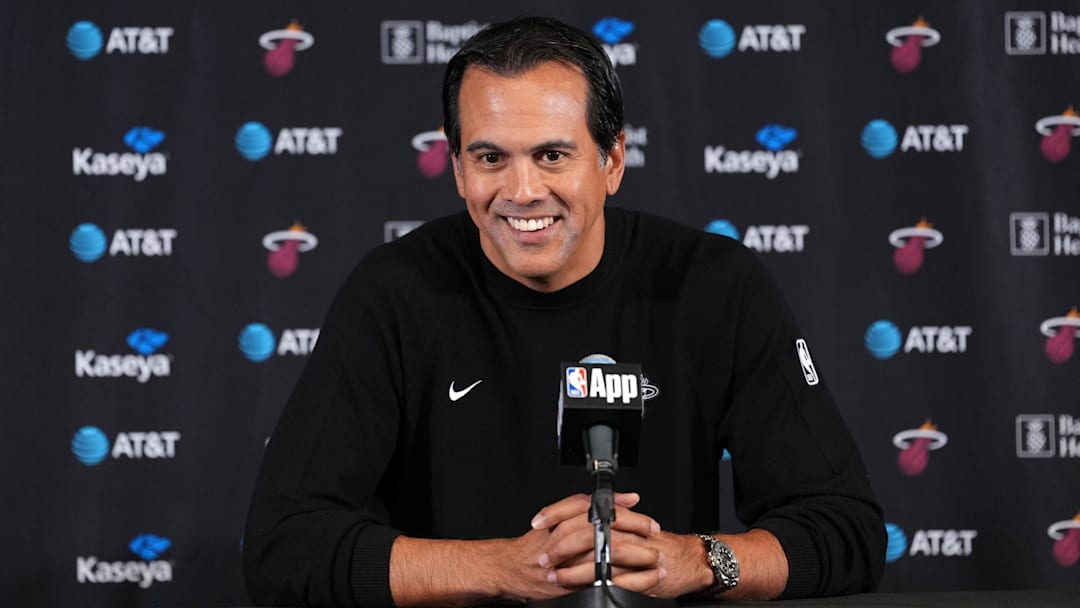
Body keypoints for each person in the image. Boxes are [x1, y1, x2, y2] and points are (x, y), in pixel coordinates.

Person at [243, 16, 885, 607]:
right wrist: (502, 569)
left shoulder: (715, 286)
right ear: (457, 168)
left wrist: (699, 560)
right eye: (491, 157)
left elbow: (846, 530)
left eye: (552, 155)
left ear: (612, 160)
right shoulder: (393, 293)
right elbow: (284, 545)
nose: (523, 193)